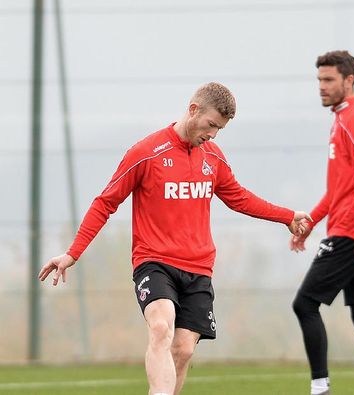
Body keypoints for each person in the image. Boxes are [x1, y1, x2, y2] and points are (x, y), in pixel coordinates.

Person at [38, 82, 311, 395]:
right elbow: (106, 202)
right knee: (161, 325)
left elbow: (238, 198)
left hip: (198, 268)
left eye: (220, 129)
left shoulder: (214, 157)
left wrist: (287, 216)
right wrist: (73, 253)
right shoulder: (146, 153)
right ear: (193, 110)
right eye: (211, 125)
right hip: (154, 262)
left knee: (183, 350)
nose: (213, 135)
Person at [290, 51, 354, 395]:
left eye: (329, 80)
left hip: (352, 231)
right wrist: (312, 222)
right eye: (319, 80)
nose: (322, 87)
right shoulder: (345, 117)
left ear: (349, 80)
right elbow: (340, 187)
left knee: (304, 304)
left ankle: (320, 387)